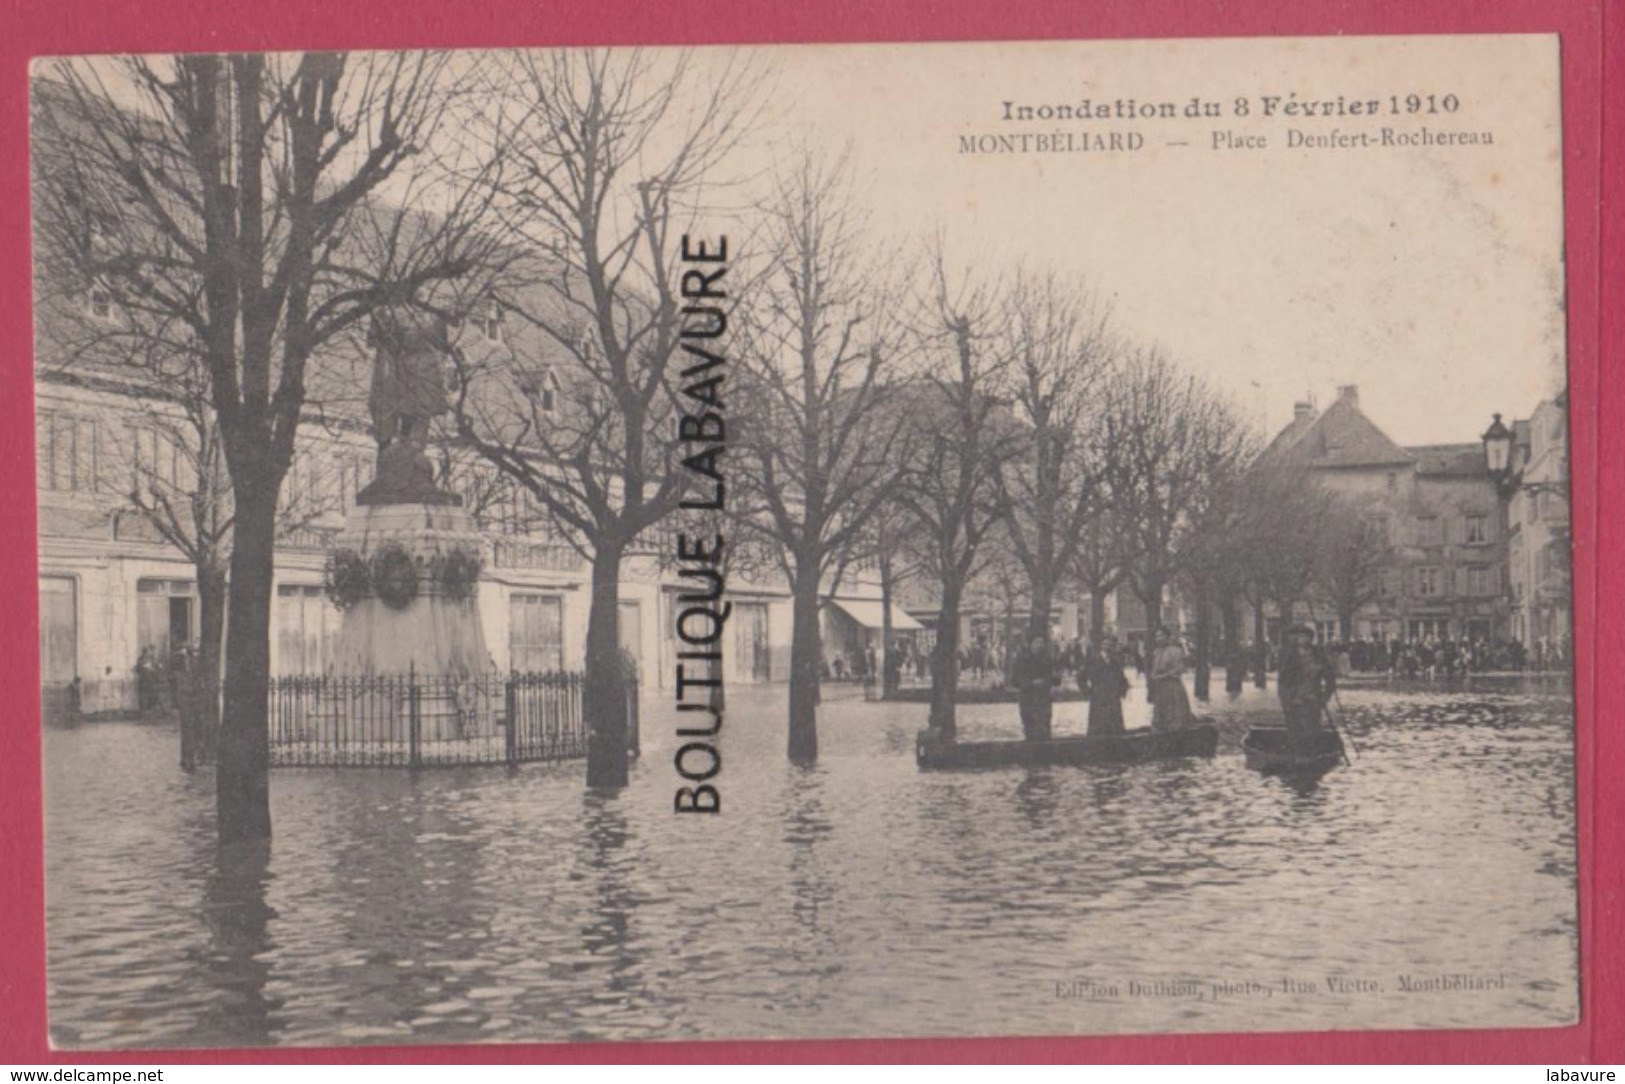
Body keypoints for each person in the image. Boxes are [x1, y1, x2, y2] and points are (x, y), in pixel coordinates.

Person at [1279, 623, 1336, 743]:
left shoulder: (1318, 654)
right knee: (1294, 729)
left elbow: (1330, 677)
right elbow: (1283, 680)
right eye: (1299, 637)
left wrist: (1326, 696)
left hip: (1313, 697)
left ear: (1311, 638)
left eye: (1306, 636)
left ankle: (1312, 751)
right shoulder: (1288, 655)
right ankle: (1296, 752)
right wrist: (1285, 699)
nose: (1302, 639)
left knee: (1312, 727)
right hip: (1293, 698)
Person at [1081, 633, 1130, 736]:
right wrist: (1088, 692)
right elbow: (1081, 677)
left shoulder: (1115, 662)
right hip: (1098, 698)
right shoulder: (1093, 661)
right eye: (1105, 644)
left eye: (1110, 644)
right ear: (1101, 645)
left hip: (1113, 699)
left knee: (1115, 726)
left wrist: (1122, 691)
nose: (1108, 646)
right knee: (1098, 726)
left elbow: (1123, 680)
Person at [1147, 626, 1193, 730]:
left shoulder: (1175, 651)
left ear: (1168, 637)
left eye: (1161, 636)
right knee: (1160, 712)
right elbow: (1154, 668)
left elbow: (1179, 668)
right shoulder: (1156, 652)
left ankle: (1176, 730)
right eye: (1157, 636)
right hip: (1160, 687)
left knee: (1174, 711)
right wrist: (1153, 676)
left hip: (1173, 686)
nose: (1159, 639)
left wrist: (1164, 675)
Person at [1015, 634, 1056, 742]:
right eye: (1037, 642)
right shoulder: (1022, 659)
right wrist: (1031, 683)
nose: (1040, 645)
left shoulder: (1047, 660)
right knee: (1030, 728)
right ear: (1031, 644)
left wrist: (1047, 682)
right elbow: (1015, 679)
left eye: (1042, 643)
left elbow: (1053, 678)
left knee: (1045, 728)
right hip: (1028, 699)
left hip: (1043, 699)